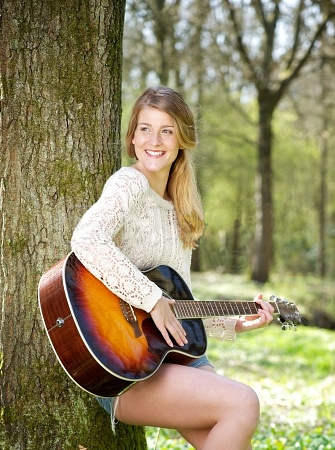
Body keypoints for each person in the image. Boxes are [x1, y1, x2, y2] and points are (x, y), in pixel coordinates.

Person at [71, 86, 274, 450]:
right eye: (145, 128)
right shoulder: (128, 184)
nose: (155, 140)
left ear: (182, 139)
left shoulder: (182, 207)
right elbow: (87, 239)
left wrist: (231, 322)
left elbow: (177, 300)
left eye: (167, 130)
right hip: (123, 362)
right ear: (132, 137)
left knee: (227, 432)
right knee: (243, 402)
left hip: (175, 354)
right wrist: (150, 298)